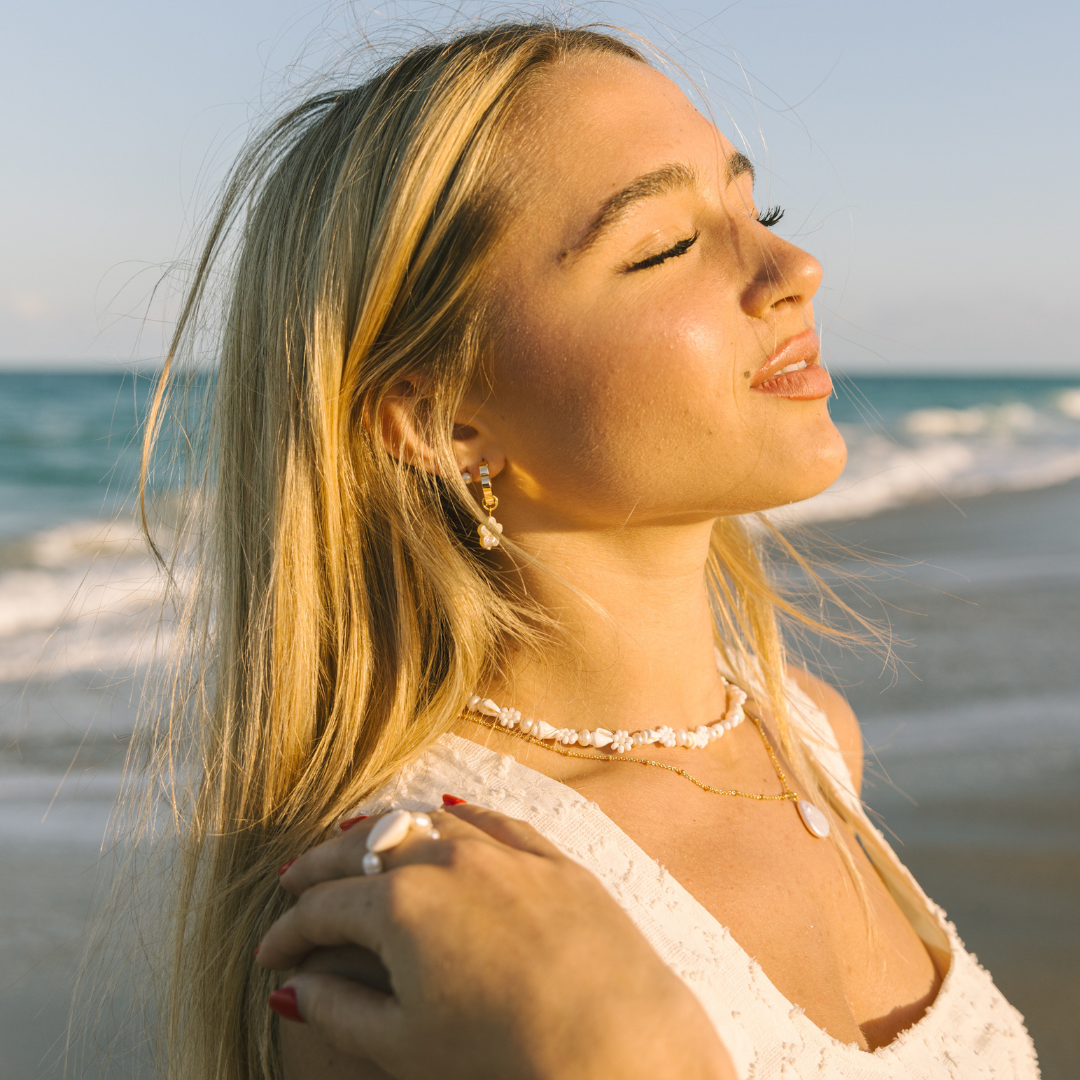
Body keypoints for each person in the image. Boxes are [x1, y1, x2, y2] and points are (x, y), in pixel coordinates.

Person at [141, 20, 1040, 1080]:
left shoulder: (810, 740)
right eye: (663, 244)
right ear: (443, 423)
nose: (796, 266)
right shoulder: (412, 920)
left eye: (759, 209)